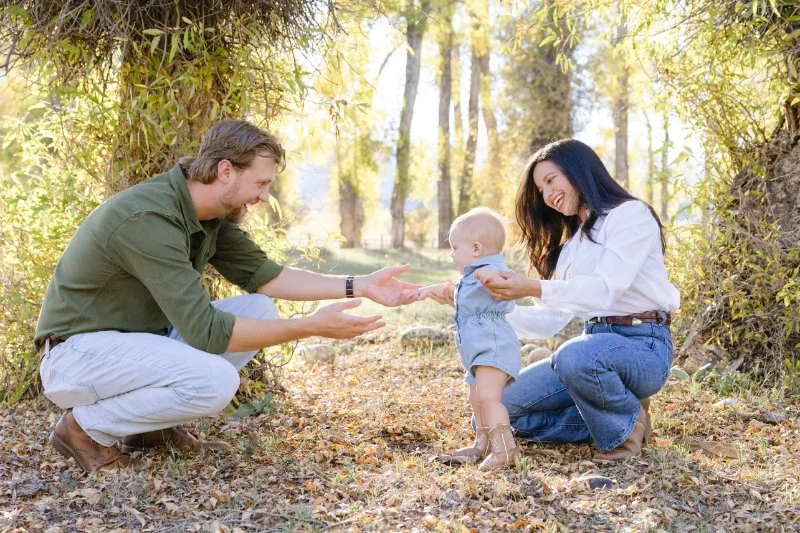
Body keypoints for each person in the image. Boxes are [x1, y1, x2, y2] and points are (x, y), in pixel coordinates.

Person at [35, 119, 422, 472]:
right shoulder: (149, 220)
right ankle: (82, 430)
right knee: (214, 382)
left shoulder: (208, 216)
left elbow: (267, 277)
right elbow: (206, 331)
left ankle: (151, 429)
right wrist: (310, 327)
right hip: (77, 354)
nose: (264, 196)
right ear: (225, 171)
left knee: (259, 307)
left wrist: (363, 284)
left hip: (130, 344)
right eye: (261, 183)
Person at [423, 139, 679, 461]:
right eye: (541, 189)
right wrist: (476, 303)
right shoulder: (572, 245)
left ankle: (624, 436)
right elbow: (550, 320)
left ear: (579, 170)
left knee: (573, 355)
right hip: (593, 345)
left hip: (644, 345)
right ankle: (620, 413)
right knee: (492, 412)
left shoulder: (630, 215)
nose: (546, 195)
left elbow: (606, 289)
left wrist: (531, 286)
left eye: (550, 180)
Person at [415, 207, 521, 471]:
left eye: (454, 248)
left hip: (493, 348)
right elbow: (460, 296)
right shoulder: (470, 278)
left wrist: (491, 278)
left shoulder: (492, 271)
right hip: (477, 352)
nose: (452, 255)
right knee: (476, 398)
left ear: (475, 249)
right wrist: (432, 290)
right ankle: (483, 443)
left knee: (488, 398)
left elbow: (503, 285)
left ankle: (505, 449)